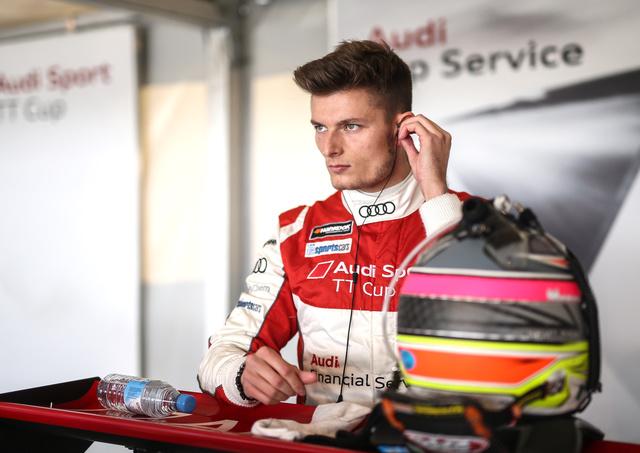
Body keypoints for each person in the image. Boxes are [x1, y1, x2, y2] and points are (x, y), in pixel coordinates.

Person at [198, 40, 469, 408]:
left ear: (402, 128)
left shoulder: (477, 222)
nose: (329, 148)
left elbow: (501, 327)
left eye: (351, 126)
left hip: (439, 434)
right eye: (320, 127)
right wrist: (242, 375)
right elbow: (220, 355)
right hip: (323, 437)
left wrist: (436, 193)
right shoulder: (296, 233)